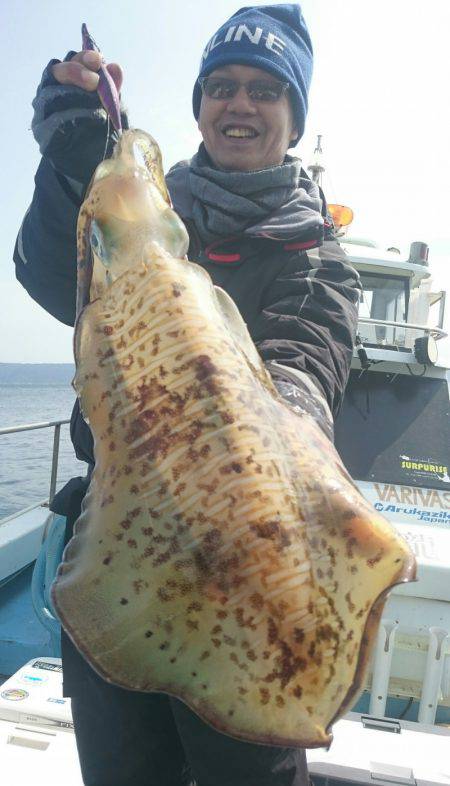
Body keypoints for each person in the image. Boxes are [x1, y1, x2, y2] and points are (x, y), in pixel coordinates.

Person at [14, 5, 361, 785]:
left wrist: (274, 433)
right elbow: (51, 278)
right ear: (201, 103)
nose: (240, 104)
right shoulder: (144, 210)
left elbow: (307, 362)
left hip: (253, 587)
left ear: (292, 118)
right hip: (120, 562)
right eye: (224, 86)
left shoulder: (314, 256)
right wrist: (72, 166)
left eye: (266, 91)